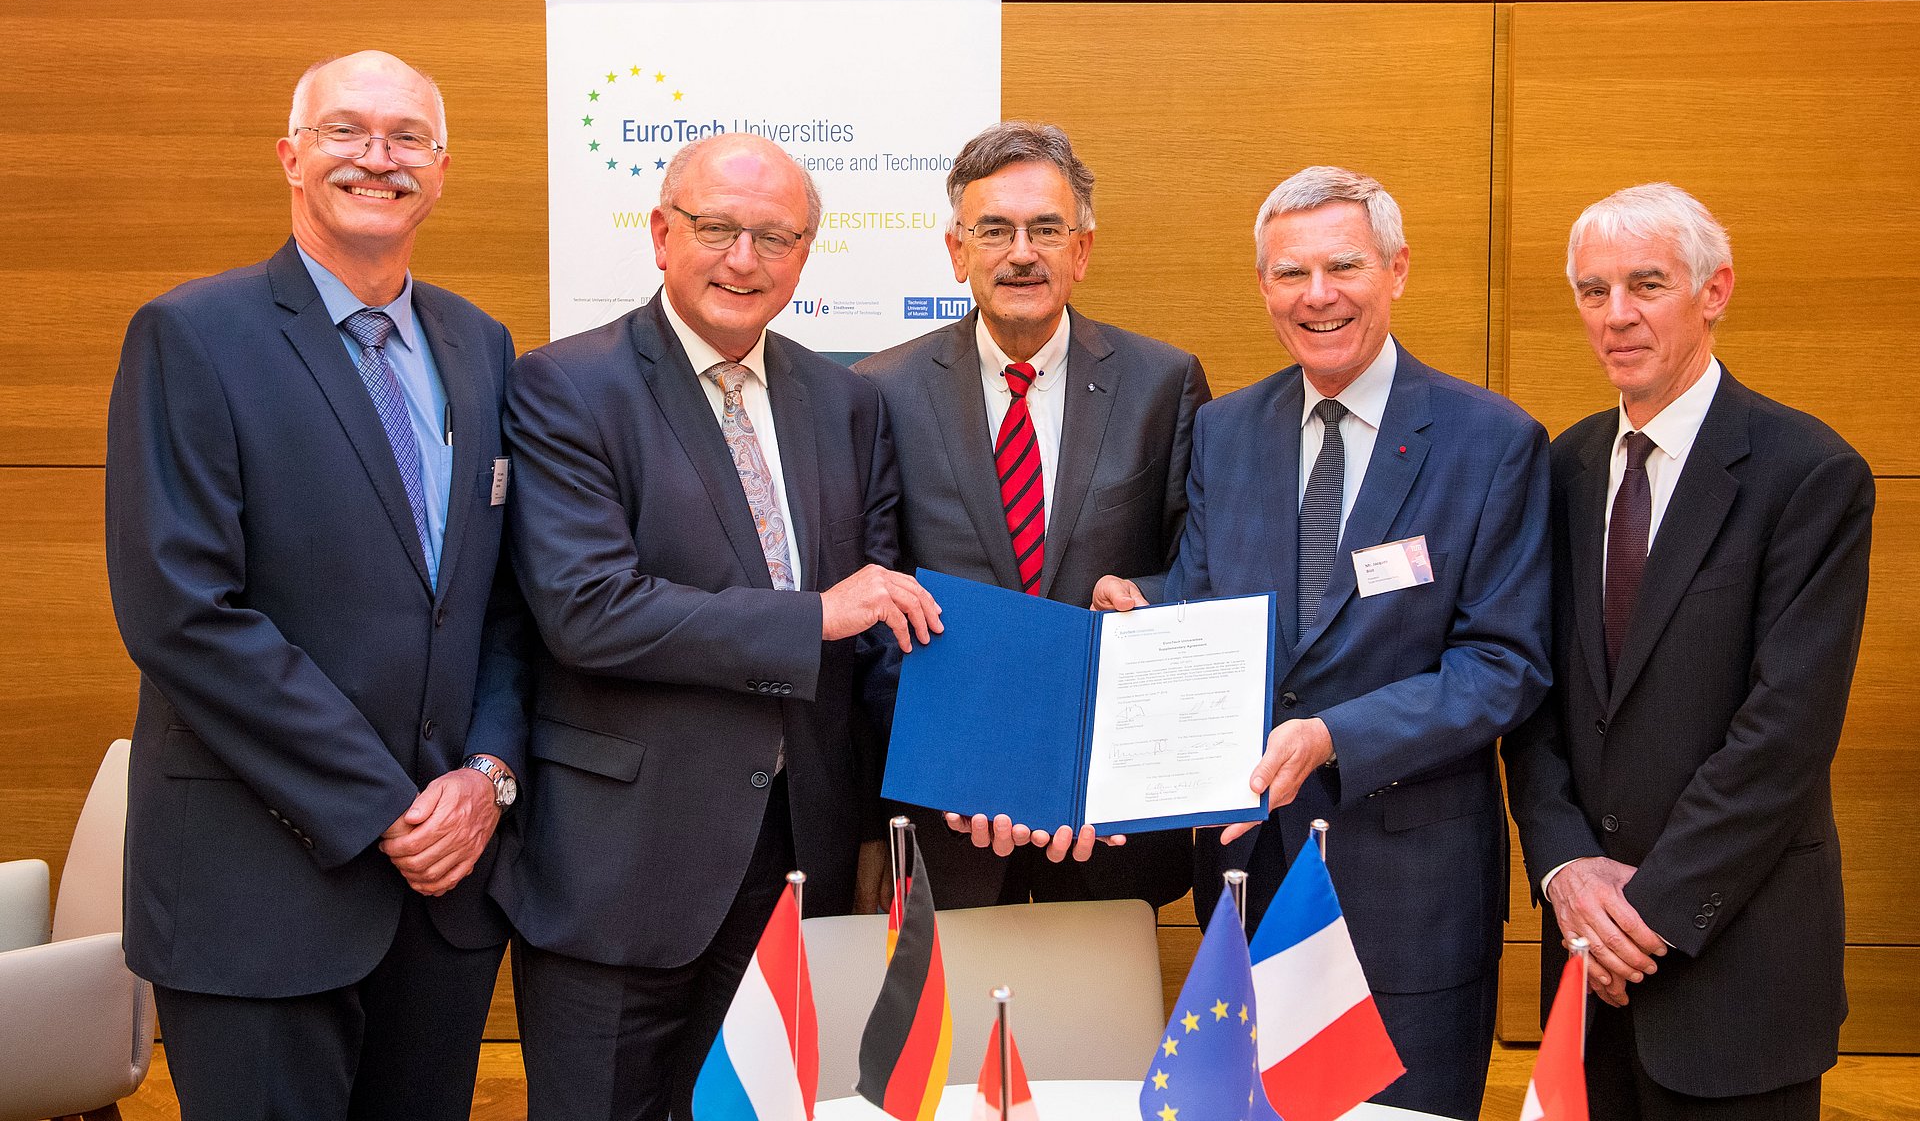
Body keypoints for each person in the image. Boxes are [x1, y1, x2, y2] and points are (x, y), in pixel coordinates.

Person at [104, 50, 527, 1120]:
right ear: (291, 156)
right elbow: (183, 612)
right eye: (346, 130)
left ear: (442, 171)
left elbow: (501, 604)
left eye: (407, 138)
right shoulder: (193, 335)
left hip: (441, 898)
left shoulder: (480, 346)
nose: (376, 157)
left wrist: (486, 774)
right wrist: (387, 806)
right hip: (258, 891)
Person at [493, 132, 940, 1120]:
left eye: (776, 237)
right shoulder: (566, 386)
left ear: (806, 255)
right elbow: (589, 610)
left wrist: (907, 805)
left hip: (799, 856)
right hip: (622, 862)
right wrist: (812, 616)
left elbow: (877, 632)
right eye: (719, 228)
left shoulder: (848, 402)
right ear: (661, 233)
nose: (746, 258)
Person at [1095, 165, 1551, 1118]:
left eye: (1343, 266)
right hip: (1247, 878)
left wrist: (1334, 735)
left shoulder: (1491, 440)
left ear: (1397, 270)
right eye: (1289, 273)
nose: (1318, 296)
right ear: (1263, 287)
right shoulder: (1225, 431)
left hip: (1410, 893)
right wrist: (1144, 605)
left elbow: (1503, 666)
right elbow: (1213, 600)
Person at [1502, 182, 1872, 1119]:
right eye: (1593, 291)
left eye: (1647, 284)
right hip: (1585, 966)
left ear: (1715, 291)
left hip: (1733, 966)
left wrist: (1646, 915)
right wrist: (1564, 870)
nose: (1616, 315)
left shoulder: (1809, 475)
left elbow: (1783, 735)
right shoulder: (1563, 468)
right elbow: (1533, 697)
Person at [854, 121, 1208, 908]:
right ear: (956, 250)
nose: (1022, 252)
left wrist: (1143, 602)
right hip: (948, 812)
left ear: (1081, 249)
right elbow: (871, 604)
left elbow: (1194, 574)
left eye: (1046, 229)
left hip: (1108, 815)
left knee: (1097, 1031)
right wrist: (956, 766)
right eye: (995, 230)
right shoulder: (883, 391)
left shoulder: (1163, 383)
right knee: (954, 1032)